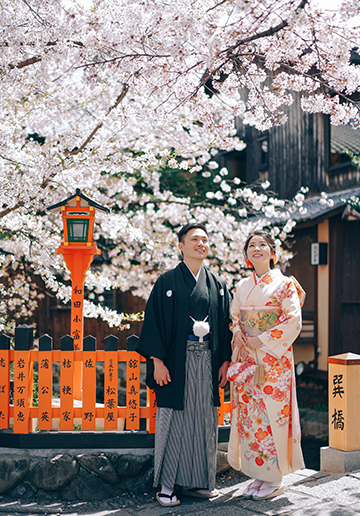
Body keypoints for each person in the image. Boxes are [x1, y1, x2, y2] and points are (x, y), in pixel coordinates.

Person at [136, 222, 232, 507]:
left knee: (204, 419)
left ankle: (200, 482)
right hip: (174, 360)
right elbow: (154, 322)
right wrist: (157, 361)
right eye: (194, 239)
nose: (200, 244)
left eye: (204, 239)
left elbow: (226, 324)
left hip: (207, 358)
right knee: (173, 419)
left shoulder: (217, 284)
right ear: (181, 246)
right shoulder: (167, 281)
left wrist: (225, 360)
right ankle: (167, 486)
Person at [227, 230, 305, 501]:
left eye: (263, 245)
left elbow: (293, 320)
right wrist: (236, 330)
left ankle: (275, 477)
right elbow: (234, 316)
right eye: (251, 246)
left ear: (273, 253)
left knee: (273, 415)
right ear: (246, 255)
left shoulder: (285, 285)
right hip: (248, 357)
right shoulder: (241, 286)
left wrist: (262, 338)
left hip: (274, 361)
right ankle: (259, 474)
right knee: (251, 416)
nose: (256, 248)